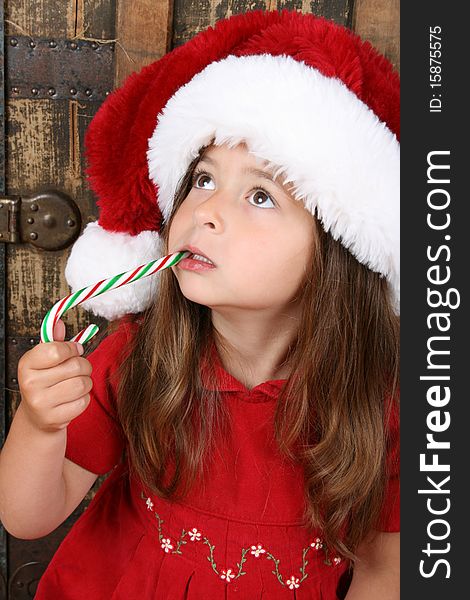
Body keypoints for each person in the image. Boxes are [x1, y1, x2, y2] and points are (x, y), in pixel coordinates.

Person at [0, 8, 399, 599]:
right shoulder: (138, 357)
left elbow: (384, 570)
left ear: (338, 250)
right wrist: (38, 426)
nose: (206, 211)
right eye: (204, 179)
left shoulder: (382, 400)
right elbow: (26, 517)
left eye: (260, 195)